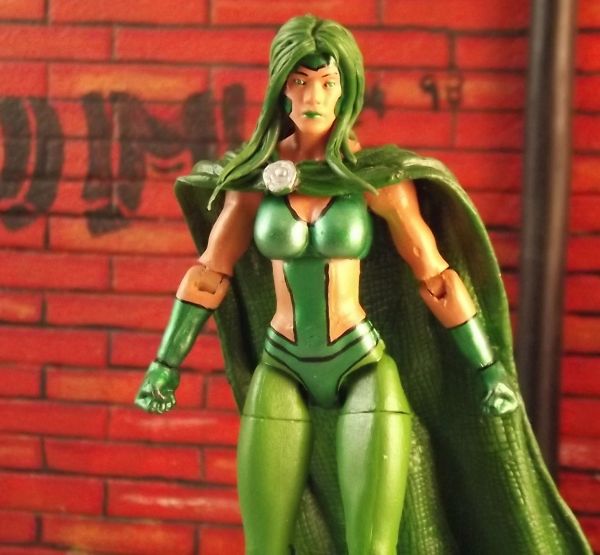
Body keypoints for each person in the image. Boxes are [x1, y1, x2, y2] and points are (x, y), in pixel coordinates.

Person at [135, 15, 591, 555]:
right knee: (264, 545)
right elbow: (210, 273)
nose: (313, 96)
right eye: (300, 81)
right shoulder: (255, 182)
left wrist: (487, 367)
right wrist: (165, 363)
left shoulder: (376, 181)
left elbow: (436, 275)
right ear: (281, 87)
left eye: (327, 82)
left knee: (373, 546)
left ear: (347, 88)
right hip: (281, 361)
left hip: (360, 363)